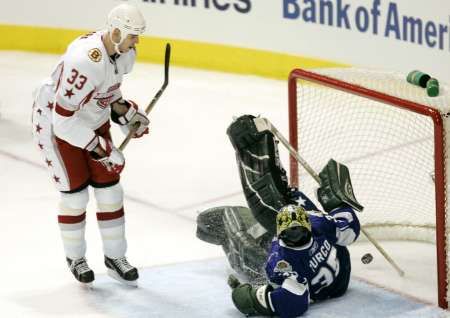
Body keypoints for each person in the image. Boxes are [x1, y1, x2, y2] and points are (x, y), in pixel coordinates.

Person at [196, 115, 362, 317]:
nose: (294, 234)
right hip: (341, 279)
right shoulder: (318, 222)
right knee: (278, 208)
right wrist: (337, 204)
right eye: (293, 231)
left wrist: (249, 297)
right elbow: (350, 229)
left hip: (314, 286)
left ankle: (229, 241)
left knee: (242, 241)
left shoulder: (282, 260)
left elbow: (292, 304)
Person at [31, 3, 150, 285]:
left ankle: (115, 257)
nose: (137, 42)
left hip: (90, 120)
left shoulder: (120, 53)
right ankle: (76, 258)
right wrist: (104, 149)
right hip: (58, 127)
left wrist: (127, 114)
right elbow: (64, 122)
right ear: (118, 31)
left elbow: (108, 93)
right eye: (133, 35)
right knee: (75, 197)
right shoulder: (85, 61)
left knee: (110, 192)